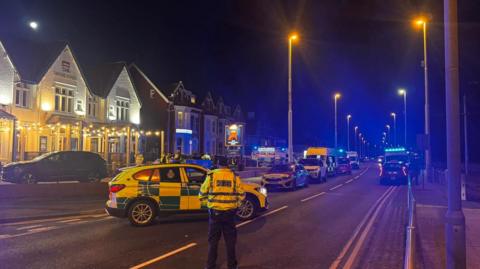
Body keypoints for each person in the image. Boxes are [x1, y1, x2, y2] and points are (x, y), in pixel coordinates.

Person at [199, 157, 245, 269]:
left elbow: (201, 194)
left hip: (215, 214)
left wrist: (210, 204)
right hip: (229, 214)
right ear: (227, 165)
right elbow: (242, 195)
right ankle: (232, 266)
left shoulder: (211, 176)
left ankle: (210, 265)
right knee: (230, 241)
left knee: (213, 242)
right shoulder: (234, 176)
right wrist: (235, 206)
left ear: (218, 165)